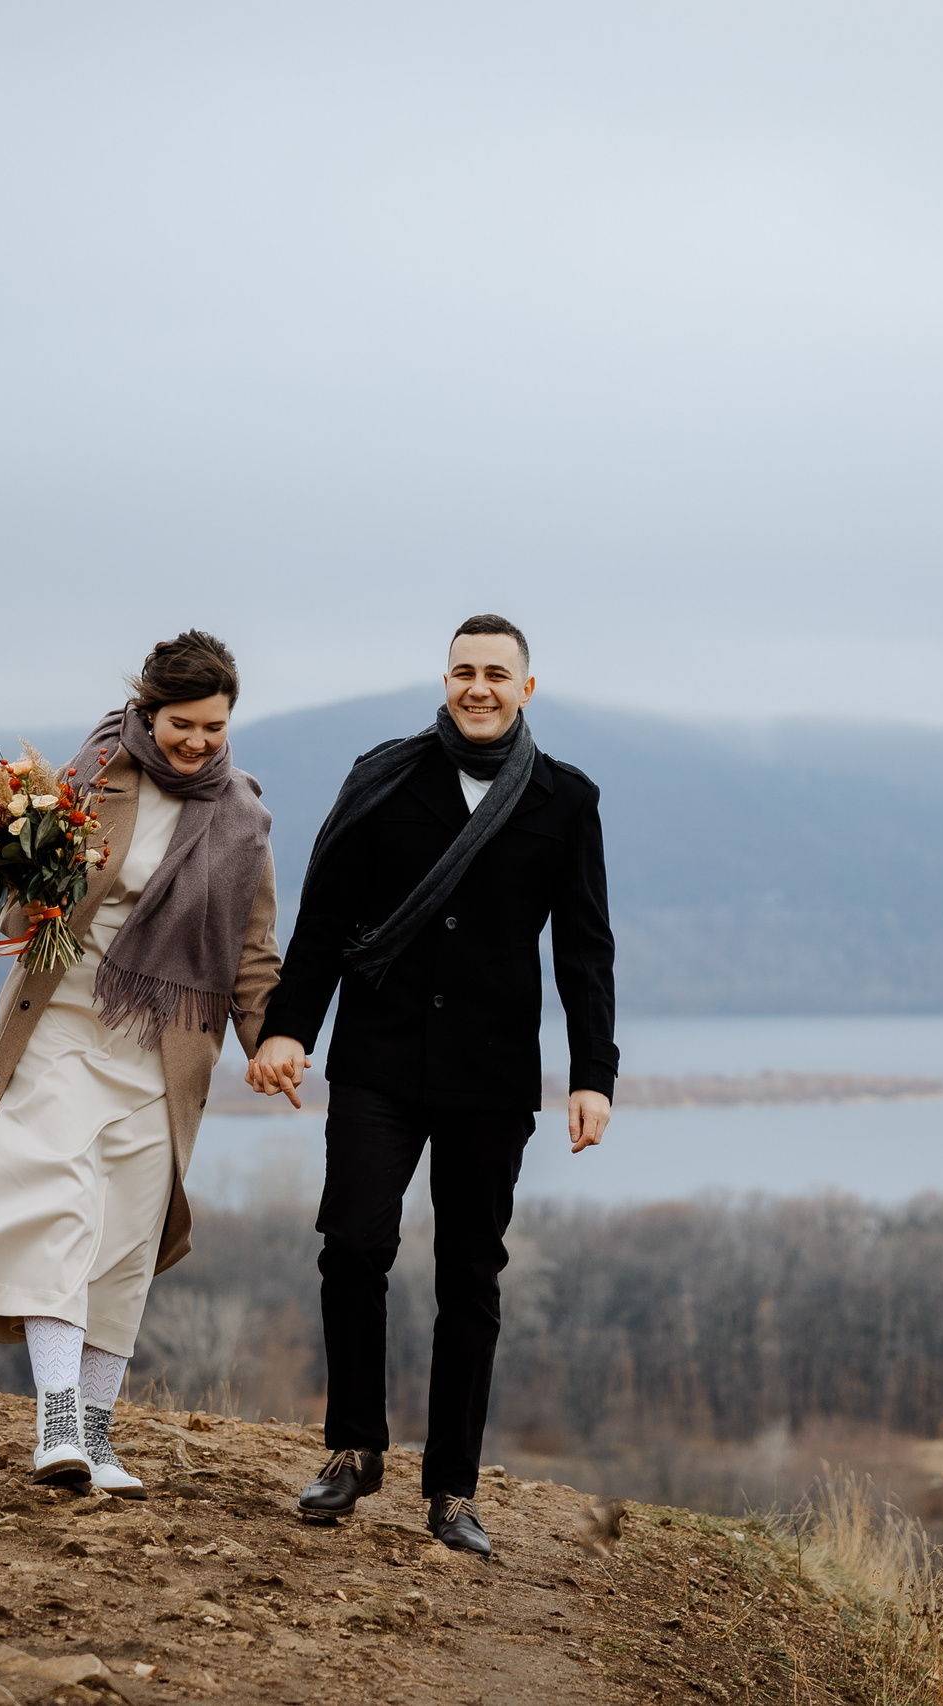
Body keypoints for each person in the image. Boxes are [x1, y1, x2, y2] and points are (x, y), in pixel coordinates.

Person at [247, 613, 616, 1556]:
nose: (479, 687)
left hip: (492, 1078)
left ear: (527, 689)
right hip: (379, 1059)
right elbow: (326, 916)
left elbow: (583, 949)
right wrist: (289, 1026)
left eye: (498, 673)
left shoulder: (566, 800)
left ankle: (452, 1489)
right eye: (464, 671)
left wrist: (592, 1076)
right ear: (444, 680)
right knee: (353, 1245)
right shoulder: (386, 776)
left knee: (470, 1277)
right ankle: (353, 1449)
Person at [0, 630, 281, 1496]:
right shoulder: (90, 775)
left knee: (124, 1240)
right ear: (148, 710)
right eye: (183, 724)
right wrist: (9, 854)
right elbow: (27, 896)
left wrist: (272, 1040)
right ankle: (57, 1425)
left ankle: (98, 1441)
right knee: (54, 1197)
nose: (199, 743)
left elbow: (254, 952)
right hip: (65, 1015)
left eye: (215, 728)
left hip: (164, 1043)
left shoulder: (244, 819)